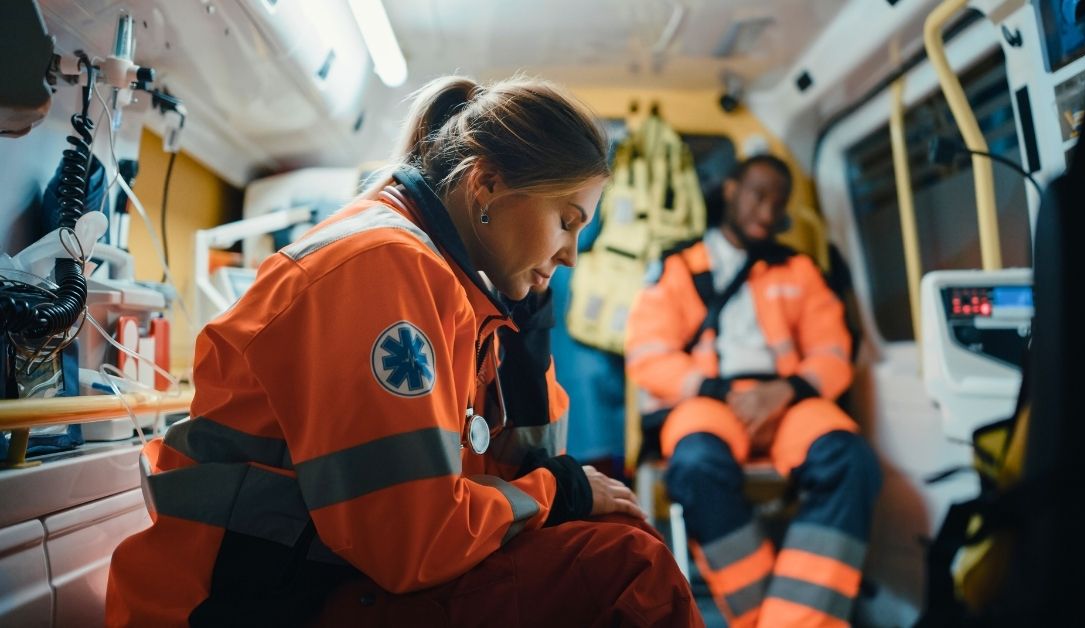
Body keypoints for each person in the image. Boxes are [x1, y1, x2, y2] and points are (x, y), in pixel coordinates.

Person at [106, 75, 703, 627]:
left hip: (319, 581)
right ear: (487, 183)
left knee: (615, 530)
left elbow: (521, 466)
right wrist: (564, 491)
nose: (572, 253)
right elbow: (413, 543)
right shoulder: (380, 268)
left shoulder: (458, 290)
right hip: (242, 604)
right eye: (567, 222)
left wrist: (529, 335)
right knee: (630, 569)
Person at [626, 155, 882, 627]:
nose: (768, 212)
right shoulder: (678, 267)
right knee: (696, 467)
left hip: (789, 401)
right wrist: (720, 392)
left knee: (852, 462)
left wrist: (785, 391)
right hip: (707, 402)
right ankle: (772, 617)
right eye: (758, 195)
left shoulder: (800, 270)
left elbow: (832, 353)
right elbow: (648, 356)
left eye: (779, 202)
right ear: (731, 191)